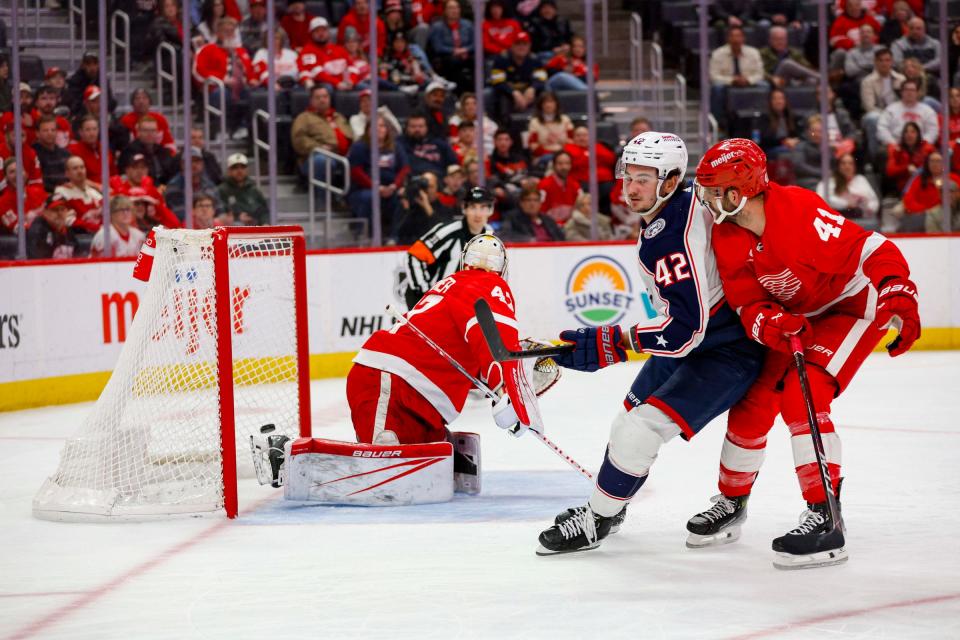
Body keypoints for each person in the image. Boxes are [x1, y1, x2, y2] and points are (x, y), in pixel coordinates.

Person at [691, 137, 919, 568]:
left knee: (804, 393)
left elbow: (872, 248)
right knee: (753, 403)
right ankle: (732, 500)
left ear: (739, 191)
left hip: (851, 305)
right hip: (800, 316)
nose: (707, 199)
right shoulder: (726, 233)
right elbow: (746, 301)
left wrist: (897, 291)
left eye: (714, 190)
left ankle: (825, 513)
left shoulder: (798, 211)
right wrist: (767, 321)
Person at [536, 133, 765, 555]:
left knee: (637, 430)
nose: (632, 187)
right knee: (627, 414)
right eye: (628, 175)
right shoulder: (680, 207)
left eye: (645, 177)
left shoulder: (670, 236)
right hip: (699, 337)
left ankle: (598, 519)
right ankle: (611, 504)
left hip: (726, 348)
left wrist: (614, 342)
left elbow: (686, 329)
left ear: (672, 179)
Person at [348, 233, 542, 502]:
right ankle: (285, 461)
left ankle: (436, 443)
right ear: (502, 269)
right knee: (384, 475)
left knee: (413, 478)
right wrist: (507, 389)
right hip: (392, 383)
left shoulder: (451, 283)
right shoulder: (490, 285)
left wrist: (505, 388)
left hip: (415, 397)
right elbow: (490, 334)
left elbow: (467, 347)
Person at [399, 185, 494, 310]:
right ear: (464, 208)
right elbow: (414, 256)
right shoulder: (447, 232)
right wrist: (424, 294)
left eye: (483, 207)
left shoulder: (490, 237)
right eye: (472, 207)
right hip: (432, 301)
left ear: (490, 210)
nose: (478, 213)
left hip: (459, 304)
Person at [347, 118, 409, 241]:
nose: (378, 129)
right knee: (370, 198)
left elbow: (405, 169)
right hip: (364, 188)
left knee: (402, 199)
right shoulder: (359, 146)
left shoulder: (395, 146)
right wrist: (376, 187)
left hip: (391, 188)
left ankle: (394, 237)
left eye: (382, 126)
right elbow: (356, 172)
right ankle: (364, 235)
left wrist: (394, 186)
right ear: (368, 130)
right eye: (374, 126)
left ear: (387, 130)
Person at [193, 17, 254, 140]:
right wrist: (222, 79)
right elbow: (198, 71)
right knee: (221, 93)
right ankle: (221, 129)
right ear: (218, 33)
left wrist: (245, 73)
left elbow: (251, 72)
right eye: (226, 31)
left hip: (239, 88)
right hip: (215, 88)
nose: (229, 34)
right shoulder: (208, 49)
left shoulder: (241, 51)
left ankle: (243, 127)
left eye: (232, 31)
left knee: (254, 94)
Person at [291, 85, 353, 195]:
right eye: (318, 97)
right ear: (311, 100)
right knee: (323, 161)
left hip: (343, 156)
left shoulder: (338, 117)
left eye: (325, 97)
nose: (322, 100)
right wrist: (318, 148)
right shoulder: (304, 117)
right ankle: (323, 203)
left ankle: (350, 201)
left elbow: (351, 136)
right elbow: (298, 139)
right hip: (317, 157)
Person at [709, 26, 766, 129]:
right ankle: (718, 124)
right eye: (733, 36)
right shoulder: (717, 54)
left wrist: (748, 80)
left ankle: (762, 121)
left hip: (748, 82)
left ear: (743, 38)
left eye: (738, 36)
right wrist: (732, 80)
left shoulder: (753, 53)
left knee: (765, 86)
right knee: (716, 88)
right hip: (727, 84)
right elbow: (713, 76)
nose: (736, 40)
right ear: (728, 39)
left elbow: (760, 74)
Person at [489, 31, 547, 121]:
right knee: (498, 96)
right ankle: (504, 128)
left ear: (529, 46)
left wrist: (533, 88)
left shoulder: (535, 59)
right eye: (518, 44)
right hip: (508, 93)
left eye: (524, 44)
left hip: (529, 93)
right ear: (512, 45)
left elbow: (541, 79)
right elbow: (498, 82)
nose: (521, 47)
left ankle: (540, 123)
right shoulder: (501, 59)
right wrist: (514, 93)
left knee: (545, 94)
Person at [898, 152, 960, 233]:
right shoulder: (919, 179)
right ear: (927, 164)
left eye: (938, 161)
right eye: (932, 161)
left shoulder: (954, 178)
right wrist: (925, 210)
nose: (935, 164)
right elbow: (908, 200)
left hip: (952, 213)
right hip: (924, 214)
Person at [860, 47, 906, 158]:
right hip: (878, 114)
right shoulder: (867, 81)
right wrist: (888, 116)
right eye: (881, 60)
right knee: (872, 118)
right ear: (875, 62)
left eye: (887, 60)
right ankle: (875, 158)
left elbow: (905, 102)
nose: (884, 63)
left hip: (898, 114)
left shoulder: (901, 79)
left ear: (892, 61)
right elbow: (869, 106)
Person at [396, 171, 458, 245]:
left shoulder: (446, 209)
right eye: (425, 187)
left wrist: (427, 206)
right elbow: (400, 234)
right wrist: (408, 209)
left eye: (431, 186)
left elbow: (443, 233)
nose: (427, 190)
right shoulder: (413, 208)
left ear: (437, 188)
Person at [815, 153, 880, 221]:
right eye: (843, 163)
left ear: (855, 166)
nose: (847, 166)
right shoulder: (829, 182)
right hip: (837, 219)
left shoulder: (860, 179)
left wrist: (867, 210)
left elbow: (874, 201)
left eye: (850, 163)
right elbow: (822, 199)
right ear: (838, 166)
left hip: (861, 218)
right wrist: (846, 204)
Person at [427, 0, 475, 93]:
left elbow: (475, 44)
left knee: (477, 60)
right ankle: (461, 92)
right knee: (453, 62)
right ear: (444, 11)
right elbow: (438, 47)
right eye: (451, 8)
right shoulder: (437, 27)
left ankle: (476, 90)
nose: (455, 10)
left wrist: (465, 50)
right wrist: (454, 51)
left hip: (466, 55)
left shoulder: (468, 25)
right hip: (447, 57)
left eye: (457, 7)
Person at [164, 147, 224, 221]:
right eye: (190, 161)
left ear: (202, 164)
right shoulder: (174, 186)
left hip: (209, 224)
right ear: (182, 164)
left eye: (197, 161)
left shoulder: (209, 184)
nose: (194, 164)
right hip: (183, 229)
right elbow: (179, 214)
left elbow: (219, 209)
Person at [876, 79, 939, 148]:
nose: (909, 93)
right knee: (881, 153)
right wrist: (892, 143)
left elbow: (933, 131)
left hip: (920, 146)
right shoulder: (891, 109)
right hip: (896, 145)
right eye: (906, 90)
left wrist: (922, 145)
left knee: (935, 157)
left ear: (917, 93)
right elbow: (882, 128)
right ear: (901, 92)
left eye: (912, 90)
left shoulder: (927, 111)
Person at [118, 115, 178, 186]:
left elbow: (172, 174)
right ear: (138, 132)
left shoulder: (164, 152)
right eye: (145, 130)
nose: (149, 134)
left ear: (157, 132)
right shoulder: (128, 152)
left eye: (153, 130)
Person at [397, 112, 458, 178]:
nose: (417, 129)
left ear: (427, 127)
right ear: (406, 128)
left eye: (421, 126)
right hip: (412, 179)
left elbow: (453, 163)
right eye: (413, 126)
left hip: (438, 179)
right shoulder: (400, 143)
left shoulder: (439, 143)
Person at [55, 156, 104, 234]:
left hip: (100, 233)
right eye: (75, 168)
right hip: (80, 236)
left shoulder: (92, 191)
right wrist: (97, 228)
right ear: (67, 174)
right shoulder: (61, 192)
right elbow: (67, 220)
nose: (80, 171)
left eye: (82, 167)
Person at [297, 17, 349, 90]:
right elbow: (317, 73)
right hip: (322, 82)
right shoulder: (307, 51)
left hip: (342, 82)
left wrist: (351, 81)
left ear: (328, 32)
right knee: (327, 89)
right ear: (311, 34)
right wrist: (337, 83)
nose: (321, 34)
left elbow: (351, 67)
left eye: (324, 30)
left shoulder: (338, 49)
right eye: (317, 31)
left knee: (364, 87)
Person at [118, 89, 177, 153]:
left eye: (144, 98)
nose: (141, 101)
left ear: (150, 102)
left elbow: (169, 144)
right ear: (132, 103)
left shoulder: (160, 119)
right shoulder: (125, 120)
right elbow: (121, 147)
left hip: (158, 156)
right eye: (137, 98)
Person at [884, 121, 935, 194]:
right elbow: (890, 171)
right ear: (903, 135)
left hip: (926, 184)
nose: (909, 135)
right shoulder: (897, 150)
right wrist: (906, 168)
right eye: (906, 132)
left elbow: (938, 167)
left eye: (913, 132)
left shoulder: (928, 148)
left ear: (918, 135)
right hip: (905, 189)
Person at [217, 153, 268, 225]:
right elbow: (219, 212)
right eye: (235, 167)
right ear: (229, 171)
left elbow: (263, 210)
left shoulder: (254, 189)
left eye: (242, 167)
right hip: (232, 229)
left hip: (255, 227)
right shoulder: (222, 190)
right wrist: (236, 218)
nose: (239, 171)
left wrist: (265, 223)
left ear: (247, 169)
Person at [0, 158, 46, 234]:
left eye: (20, 170)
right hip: (24, 242)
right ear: (6, 178)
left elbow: (51, 214)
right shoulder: (2, 203)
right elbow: (18, 229)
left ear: (25, 173)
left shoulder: (38, 192)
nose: (17, 174)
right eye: (12, 172)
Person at [26, 193, 80, 259]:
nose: (60, 213)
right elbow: (38, 262)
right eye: (55, 210)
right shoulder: (38, 231)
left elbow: (77, 256)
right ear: (45, 212)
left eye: (62, 209)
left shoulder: (67, 231)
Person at [499, 187, 564, 242]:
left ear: (540, 203)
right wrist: (531, 240)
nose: (532, 204)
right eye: (528, 200)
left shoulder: (548, 219)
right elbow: (504, 235)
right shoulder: (511, 217)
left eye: (535, 200)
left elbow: (561, 238)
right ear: (521, 203)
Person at [527, 91, 573, 165]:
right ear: (541, 105)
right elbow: (533, 146)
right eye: (545, 102)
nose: (548, 105)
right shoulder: (534, 122)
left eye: (551, 102)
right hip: (543, 156)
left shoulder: (565, 120)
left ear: (556, 104)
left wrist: (561, 150)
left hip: (564, 154)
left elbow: (572, 142)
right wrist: (552, 152)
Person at [537, 150, 580, 224]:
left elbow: (579, 209)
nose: (564, 167)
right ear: (553, 165)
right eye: (560, 163)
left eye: (567, 163)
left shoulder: (575, 184)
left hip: (570, 224)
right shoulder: (544, 185)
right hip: (550, 225)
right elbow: (540, 211)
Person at [33, 115, 72, 192]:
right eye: (45, 130)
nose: (50, 133)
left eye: (53, 130)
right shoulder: (34, 154)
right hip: (47, 194)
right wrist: (60, 188)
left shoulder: (65, 153)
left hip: (69, 190)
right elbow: (38, 181)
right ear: (37, 133)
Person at [759, 88, 800, 159]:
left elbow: (800, 134)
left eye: (781, 98)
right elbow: (764, 140)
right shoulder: (764, 118)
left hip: (792, 146)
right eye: (775, 99)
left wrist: (796, 140)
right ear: (770, 102)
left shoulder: (792, 117)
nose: (778, 101)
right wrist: (783, 141)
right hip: (772, 149)